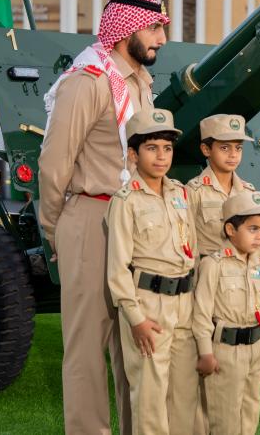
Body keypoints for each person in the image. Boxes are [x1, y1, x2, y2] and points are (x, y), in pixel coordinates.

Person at [38, 0, 169, 433]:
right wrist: (57, 231)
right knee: (87, 346)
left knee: (135, 341)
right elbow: (54, 164)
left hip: (135, 222)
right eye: (155, 29)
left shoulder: (137, 82)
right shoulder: (87, 80)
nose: (161, 40)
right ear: (127, 29)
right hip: (91, 220)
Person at [105, 108, 198, 435]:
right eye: (152, 148)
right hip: (148, 306)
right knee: (149, 399)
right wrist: (136, 319)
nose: (161, 156)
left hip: (184, 305)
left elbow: (192, 251)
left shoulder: (180, 194)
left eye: (167, 148)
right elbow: (117, 268)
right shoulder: (125, 201)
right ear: (133, 153)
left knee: (184, 398)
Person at [194, 190, 260, 435]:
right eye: (253, 229)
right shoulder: (213, 265)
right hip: (226, 352)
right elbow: (201, 315)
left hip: (256, 350)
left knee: (250, 415)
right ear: (231, 230)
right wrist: (205, 353)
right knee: (225, 420)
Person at [186, 114, 256, 256]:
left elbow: (255, 245)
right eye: (225, 148)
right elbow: (185, 241)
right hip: (209, 274)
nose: (233, 155)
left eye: (238, 148)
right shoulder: (194, 191)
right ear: (206, 149)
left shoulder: (248, 192)